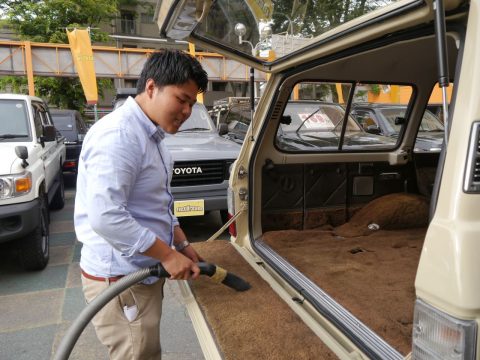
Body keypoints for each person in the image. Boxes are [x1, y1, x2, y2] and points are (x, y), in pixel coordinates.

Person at [74, 49, 208, 359]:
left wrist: (182, 243)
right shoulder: (119, 135)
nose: (187, 111)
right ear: (151, 87)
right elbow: (106, 216)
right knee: (138, 353)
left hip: (140, 272)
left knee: (146, 351)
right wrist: (167, 255)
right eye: (182, 99)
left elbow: (158, 203)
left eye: (192, 103)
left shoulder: (153, 136)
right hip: (121, 281)